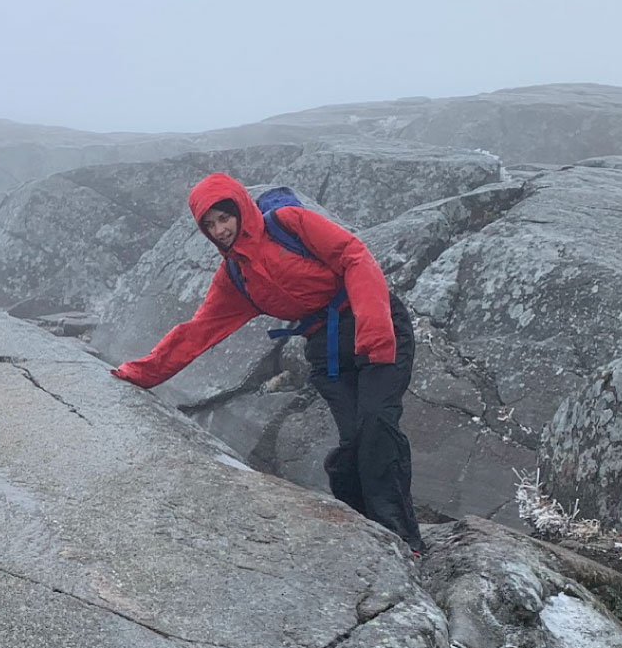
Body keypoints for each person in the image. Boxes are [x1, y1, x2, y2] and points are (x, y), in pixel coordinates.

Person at [110, 172, 425, 556]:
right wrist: (141, 373)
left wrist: (375, 335)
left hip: (376, 323)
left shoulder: (289, 223)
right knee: (354, 442)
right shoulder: (235, 277)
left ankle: (403, 539)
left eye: (224, 217)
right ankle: (369, 527)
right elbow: (198, 331)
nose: (220, 229)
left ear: (240, 208)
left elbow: (354, 256)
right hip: (326, 349)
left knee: (378, 424)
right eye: (209, 225)